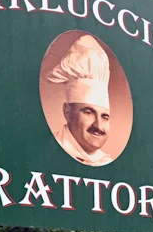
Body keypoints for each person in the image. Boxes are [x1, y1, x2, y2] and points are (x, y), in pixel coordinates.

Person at [46, 35, 117, 166]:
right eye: (88, 112)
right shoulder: (48, 151)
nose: (99, 126)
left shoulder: (105, 162)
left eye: (105, 117)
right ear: (67, 112)